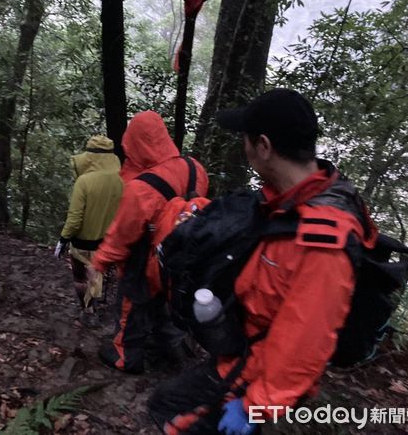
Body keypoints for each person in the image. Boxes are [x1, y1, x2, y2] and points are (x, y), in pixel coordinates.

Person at [148, 88, 378, 434]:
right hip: (240, 355)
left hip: (256, 378)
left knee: (172, 416)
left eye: (246, 139)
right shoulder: (290, 200)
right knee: (163, 404)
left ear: (265, 146)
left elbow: (306, 340)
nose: (244, 147)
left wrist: (256, 407)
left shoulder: (323, 240)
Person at [90, 110, 209, 374]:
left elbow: (123, 235)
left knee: (133, 303)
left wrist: (99, 262)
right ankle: (175, 350)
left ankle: (126, 356)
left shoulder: (142, 187)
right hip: (181, 258)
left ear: (134, 142)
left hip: (146, 259)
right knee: (167, 303)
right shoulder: (195, 168)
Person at [55, 135, 123, 327]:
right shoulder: (120, 181)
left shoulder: (84, 181)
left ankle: (88, 310)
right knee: (98, 273)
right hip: (107, 241)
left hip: (83, 242)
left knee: (80, 276)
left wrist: (63, 238)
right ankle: (96, 304)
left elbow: (75, 218)